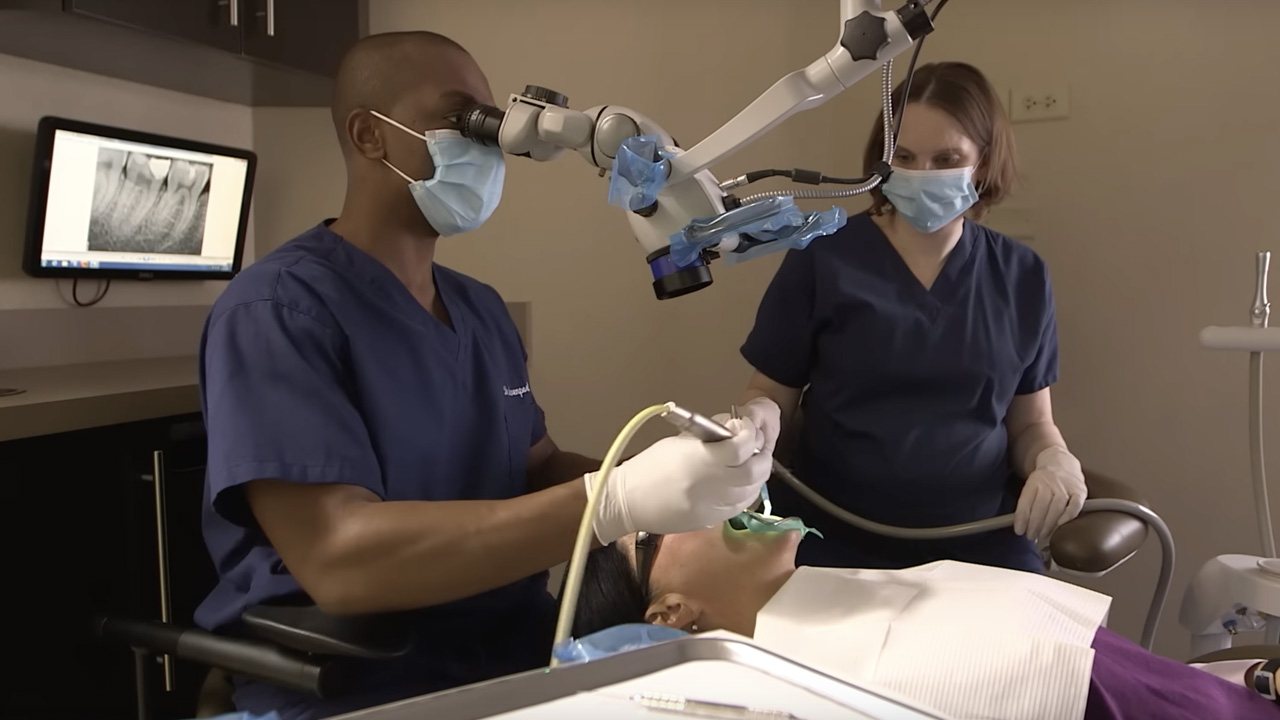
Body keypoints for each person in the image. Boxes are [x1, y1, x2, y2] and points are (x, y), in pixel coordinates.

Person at [195, 31, 773, 720]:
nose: (491, 143)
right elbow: (338, 559)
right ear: (370, 135)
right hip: (358, 682)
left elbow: (537, 467)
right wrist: (612, 499)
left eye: (489, 122)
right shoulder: (278, 312)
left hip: (510, 654)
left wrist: (682, 485)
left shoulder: (479, 309)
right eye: (462, 119)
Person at [732, 61, 1084, 573]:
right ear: (882, 161)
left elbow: (1031, 424)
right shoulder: (824, 256)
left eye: (946, 159)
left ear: (982, 164)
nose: (921, 175)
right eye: (904, 157)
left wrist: (1054, 461)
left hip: (979, 539)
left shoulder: (1021, 276)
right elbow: (770, 392)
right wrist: (756, 419)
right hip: (831, 534)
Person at [572, 520, 1280, 720]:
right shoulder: (861, 687)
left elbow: (1134, 679)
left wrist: (1247, 678)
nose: (698, 507)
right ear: (669, 613)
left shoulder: (868, 597)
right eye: (664, 529)